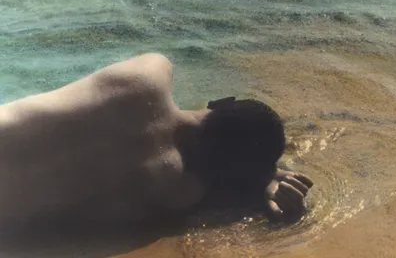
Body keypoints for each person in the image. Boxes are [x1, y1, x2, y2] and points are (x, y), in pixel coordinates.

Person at [0, 53, 313, 241]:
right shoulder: (174, 190)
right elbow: (222, 190)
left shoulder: (147, 77)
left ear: (220, 102)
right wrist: (264, 178)